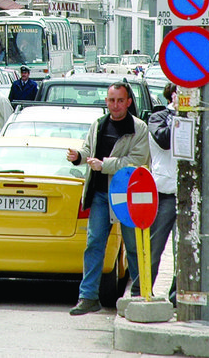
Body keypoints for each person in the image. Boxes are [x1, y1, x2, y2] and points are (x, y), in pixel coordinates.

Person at [67, 82, 151, 315]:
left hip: (128, 196)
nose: (115, 105)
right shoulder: (98, 124)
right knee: (94, 244)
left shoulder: (138, 128)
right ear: (106, 102)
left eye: (120, 100)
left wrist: (105, 165)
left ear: (129, 102)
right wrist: (78, 157)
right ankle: (88, 296)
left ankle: (140, 293)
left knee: (133, 246)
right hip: (101, 194)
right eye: (112, 100)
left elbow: (136, 161)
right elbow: (88, 151)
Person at [141, 82, 178, 303]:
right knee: (155, 247)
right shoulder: (158, 117)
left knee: (183, 251)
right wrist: (179, 118)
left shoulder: (198, 117)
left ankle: (176, 294)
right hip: (164, 192)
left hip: (187, 194)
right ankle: (143, 289)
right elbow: (163, 140)